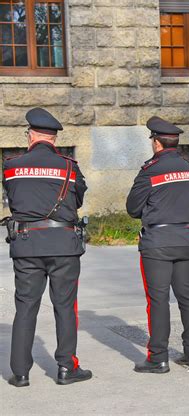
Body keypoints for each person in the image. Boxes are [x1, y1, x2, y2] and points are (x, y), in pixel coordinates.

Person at [2, 108, 91, 387]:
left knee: (26, 306)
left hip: (27, 245)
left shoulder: (11, 165)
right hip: (64, 245)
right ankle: (66, 368)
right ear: (53, 138)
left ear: (31, 135)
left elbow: (14, 199)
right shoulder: (69, 166)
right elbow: (77, 200)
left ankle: (20, 373)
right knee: (65, 307)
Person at [126, 116, 189, 373]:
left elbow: (132, 208)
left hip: (157, 242)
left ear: (157, 143)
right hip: (186, 238)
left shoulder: (150, 170)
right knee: (188, 297)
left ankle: (158, 357)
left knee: (158, 300)